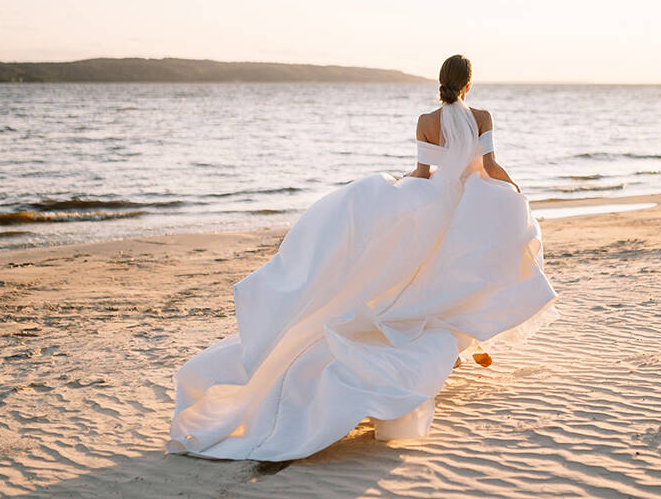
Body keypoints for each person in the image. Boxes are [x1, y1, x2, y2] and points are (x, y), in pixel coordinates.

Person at [167, 54, 557, 462]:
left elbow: (422, 172)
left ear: (441, 81)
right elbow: (490, 166)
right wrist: (516, 192)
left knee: (419, 277)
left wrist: (396, 190)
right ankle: (451, 345)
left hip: (434, 205)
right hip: (471, 204)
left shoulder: (426, 120)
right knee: (454, 277)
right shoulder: (482, 116)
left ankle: (445, 347)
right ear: (469, 84)